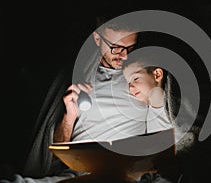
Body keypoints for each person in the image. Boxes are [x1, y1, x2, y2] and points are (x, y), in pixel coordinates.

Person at [0, 15, 197, 183]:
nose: (123, 55)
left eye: (130, 47)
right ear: (97, 38)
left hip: (124, 174)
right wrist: (69, 115)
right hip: (77, 173)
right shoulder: (77, 77)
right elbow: (55, 154)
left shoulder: (141, 77)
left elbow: (165, 135)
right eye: (116, 48)